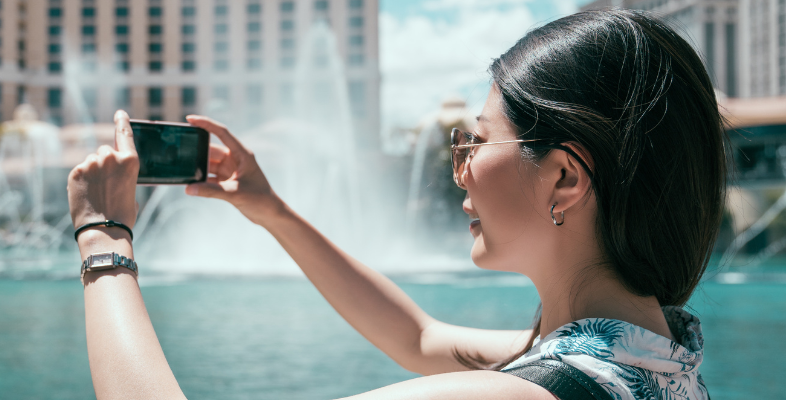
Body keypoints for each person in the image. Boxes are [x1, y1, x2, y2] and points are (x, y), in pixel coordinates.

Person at [68, 9, 722, 400]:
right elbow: (419, 337)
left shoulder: (519, 392)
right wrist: (273, 212)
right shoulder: (654, 351)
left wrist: (104, 237)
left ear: (565, 180)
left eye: (478, 141)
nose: (459, 170)